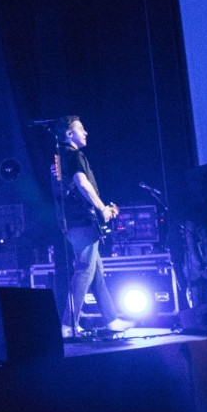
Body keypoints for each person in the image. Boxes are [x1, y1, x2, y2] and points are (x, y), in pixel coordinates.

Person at [54, 115, 135, 338]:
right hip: (81, 223)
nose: (86, 132)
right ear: (69, 134)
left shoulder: (58, 158)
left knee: (96, 273)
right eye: (81, 129)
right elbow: (82, 183)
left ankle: (112, 320)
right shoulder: (74, 155)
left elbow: (67, 190)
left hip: (72, 222)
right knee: (84, 271)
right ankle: (68, 325)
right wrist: (102, 209)